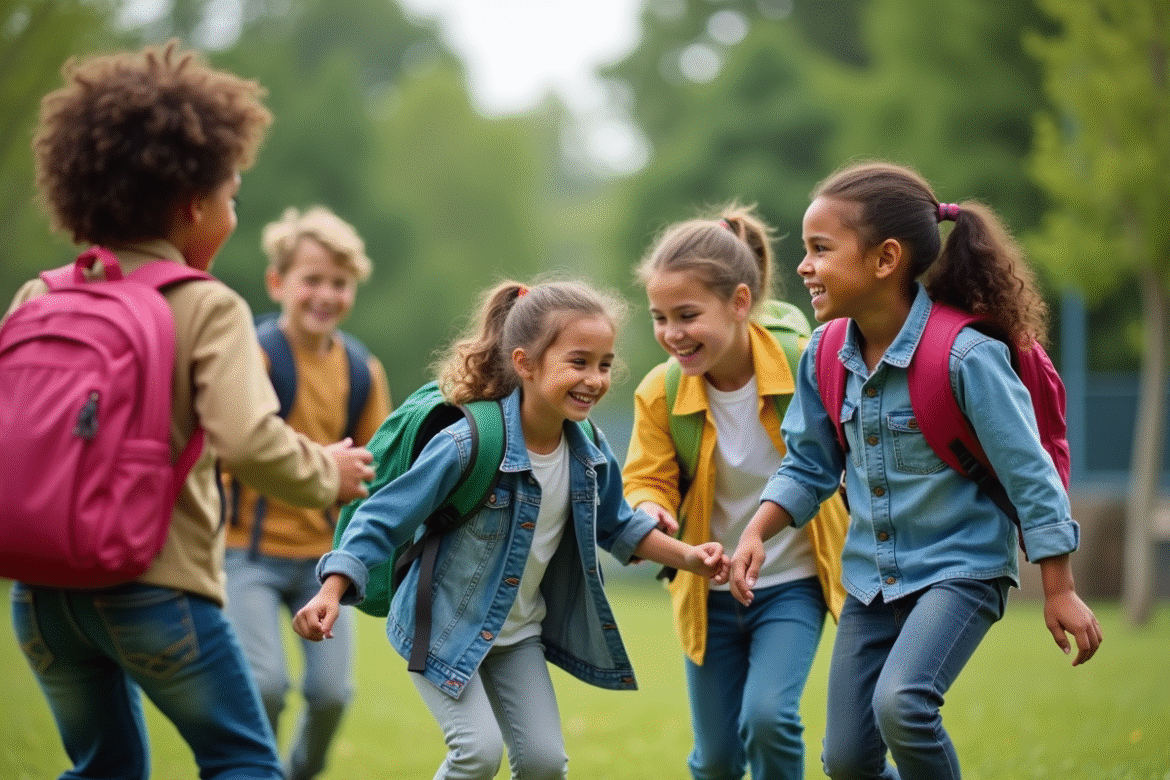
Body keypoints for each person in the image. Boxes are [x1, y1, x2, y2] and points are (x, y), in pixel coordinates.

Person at [6, 42, 375, 780]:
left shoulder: (39, 296)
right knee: (243, 762)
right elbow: (249, 440)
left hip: (39, 594)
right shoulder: (205, 305)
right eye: (232, 194)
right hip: (155, 587)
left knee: (103, 768)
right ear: (191, 205)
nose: (234, 209)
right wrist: (324, 473)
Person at [729, 161, 1103, 780]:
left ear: (885, 260)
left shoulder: (966, 356)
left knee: (903, 704)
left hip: (961, 570)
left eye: (821, 250)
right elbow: (809, 463)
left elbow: (1029, 474)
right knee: (847, 760)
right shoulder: (825, 355)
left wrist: (1059, 585)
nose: (803, 267)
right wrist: (755, 533)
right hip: (872, 583)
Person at [294, 279, 731, 780]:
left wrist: (691, 557)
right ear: (525, 363)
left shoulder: (587, 448)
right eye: (578, 362)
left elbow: (620, 526)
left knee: (544, 764)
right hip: (440, 626)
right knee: (477, 753)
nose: (594, 379)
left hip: (518, 633)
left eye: (604, 364)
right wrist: (332, 589)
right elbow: (382, 516)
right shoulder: (468, 443)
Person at [623, 204, 849, 780]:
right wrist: (650, 508)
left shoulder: (805, 364)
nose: (672, 333)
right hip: (708, 588)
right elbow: (647, 477)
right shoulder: (661, 392)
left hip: (792, 583)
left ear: (741, 302)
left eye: (688, 315)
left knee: (769, 718)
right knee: (719, 758)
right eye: (659, 317)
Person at [223, 206, 391, 780]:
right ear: (278, 284)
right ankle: (250, 772)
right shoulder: (254, 356)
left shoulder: (362, 369)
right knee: (264, 686)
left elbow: (376, 470)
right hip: (243, 552)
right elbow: (230, 446)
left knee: (331, 694)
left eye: (339, 283)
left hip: (323, 566)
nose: (325, 295)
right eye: (311, 280)